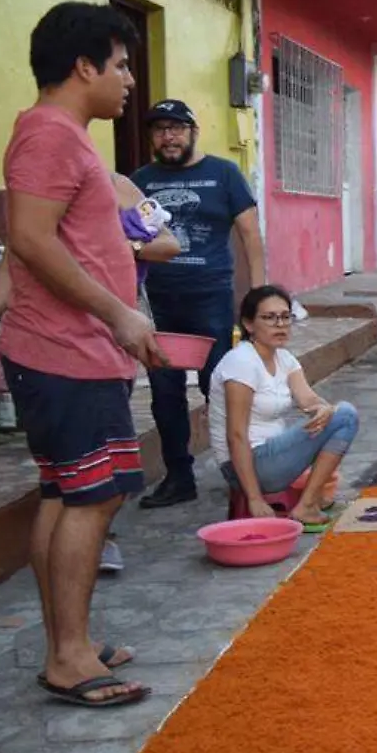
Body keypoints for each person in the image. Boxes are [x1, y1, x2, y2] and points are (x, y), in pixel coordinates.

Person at [2, 1, 162, 706]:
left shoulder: (60, 136)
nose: (129, 80)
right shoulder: (50, 136)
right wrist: (120, 313)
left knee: (67, 494)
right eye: (122, 64)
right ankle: (67, 657)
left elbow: (31, 239)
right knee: (92, 500)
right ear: (84, 65)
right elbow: (32, 240)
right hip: (68, 352)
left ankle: (69, 640)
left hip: (67, 349)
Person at [125, 99, 265, 508]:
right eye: (159, 129)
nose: (168, 137)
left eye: (176, 128)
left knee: (220, 387)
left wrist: (257, 296)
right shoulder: (139, 181)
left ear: (193, 131)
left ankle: (240, 469)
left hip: (211, 298)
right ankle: (179, 477)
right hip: (160, 303)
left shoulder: (224, 173)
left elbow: (250, 235)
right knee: (165, 393)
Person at [213, 286, 358, 532]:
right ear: (249, 325)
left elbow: (308, 399)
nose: (280, 324)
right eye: (269, 318)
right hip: (248, 465)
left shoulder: (284, 358)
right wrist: (254, 498)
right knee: (346, 415)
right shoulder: (241, 362)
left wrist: (322, 409)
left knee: (336, 414)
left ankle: (310, 500)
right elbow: (235, 435)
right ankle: (307, 505)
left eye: (285, 316)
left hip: (272, 455)